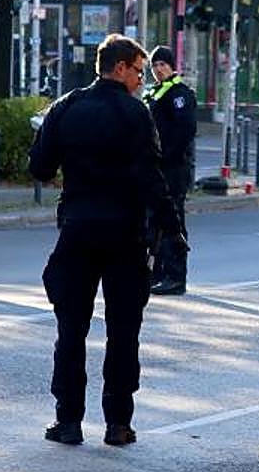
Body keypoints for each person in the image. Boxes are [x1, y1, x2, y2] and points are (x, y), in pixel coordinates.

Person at [29, 34, 185, 447]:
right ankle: (118, 423)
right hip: (124, 234)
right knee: (123, 332)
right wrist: (173, 229)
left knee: (71, 330)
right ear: (119, 68)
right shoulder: (136, 115)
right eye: (137, 71)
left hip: (77, 230)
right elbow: (153, 179)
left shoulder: (66, 107)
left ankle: (67, 421)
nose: (141, 80)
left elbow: (39, 167)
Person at [143, 45, 197, 296]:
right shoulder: (154, 92)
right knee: (153, 221)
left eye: (162, 64)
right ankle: (157, 272)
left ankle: (176, 276)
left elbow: (184, 132)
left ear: (172, 66)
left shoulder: (179, 94)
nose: (158, 69)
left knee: (172, 221)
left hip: (173, 168)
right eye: (154, 65)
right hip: (154, 167)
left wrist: (166, 157)